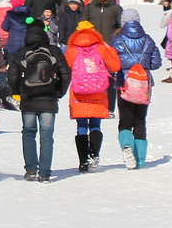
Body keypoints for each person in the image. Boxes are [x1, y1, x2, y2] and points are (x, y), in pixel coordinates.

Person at [7, 19, 70, 182]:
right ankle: (44, 173)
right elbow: (66, 74)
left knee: (28, 133)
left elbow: (12, 76)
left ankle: (31, 169)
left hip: (28, 99)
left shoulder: (21, 53)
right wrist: (59, 92)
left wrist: (17, 93)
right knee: (47, 136)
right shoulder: (54, 52)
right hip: (49, 98)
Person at [65, 21, 121, 172]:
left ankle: (83, 161)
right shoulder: (101, 47)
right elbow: (115, 66)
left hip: (79, 92)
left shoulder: (72, 50)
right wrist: (111, 50)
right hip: (98, 91)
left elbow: (64, 68)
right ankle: (94, 155)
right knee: (95, 125)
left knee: (81, 127)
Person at [111, 9, 160, 169]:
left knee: (125, 119)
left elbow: (112, 64)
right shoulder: (148, 39)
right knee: (140, 120)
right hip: (143, 84)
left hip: (124, 83)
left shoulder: (117, 40)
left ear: (123, 22)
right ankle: (140, 159)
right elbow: (156, 63)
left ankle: (126, 145)